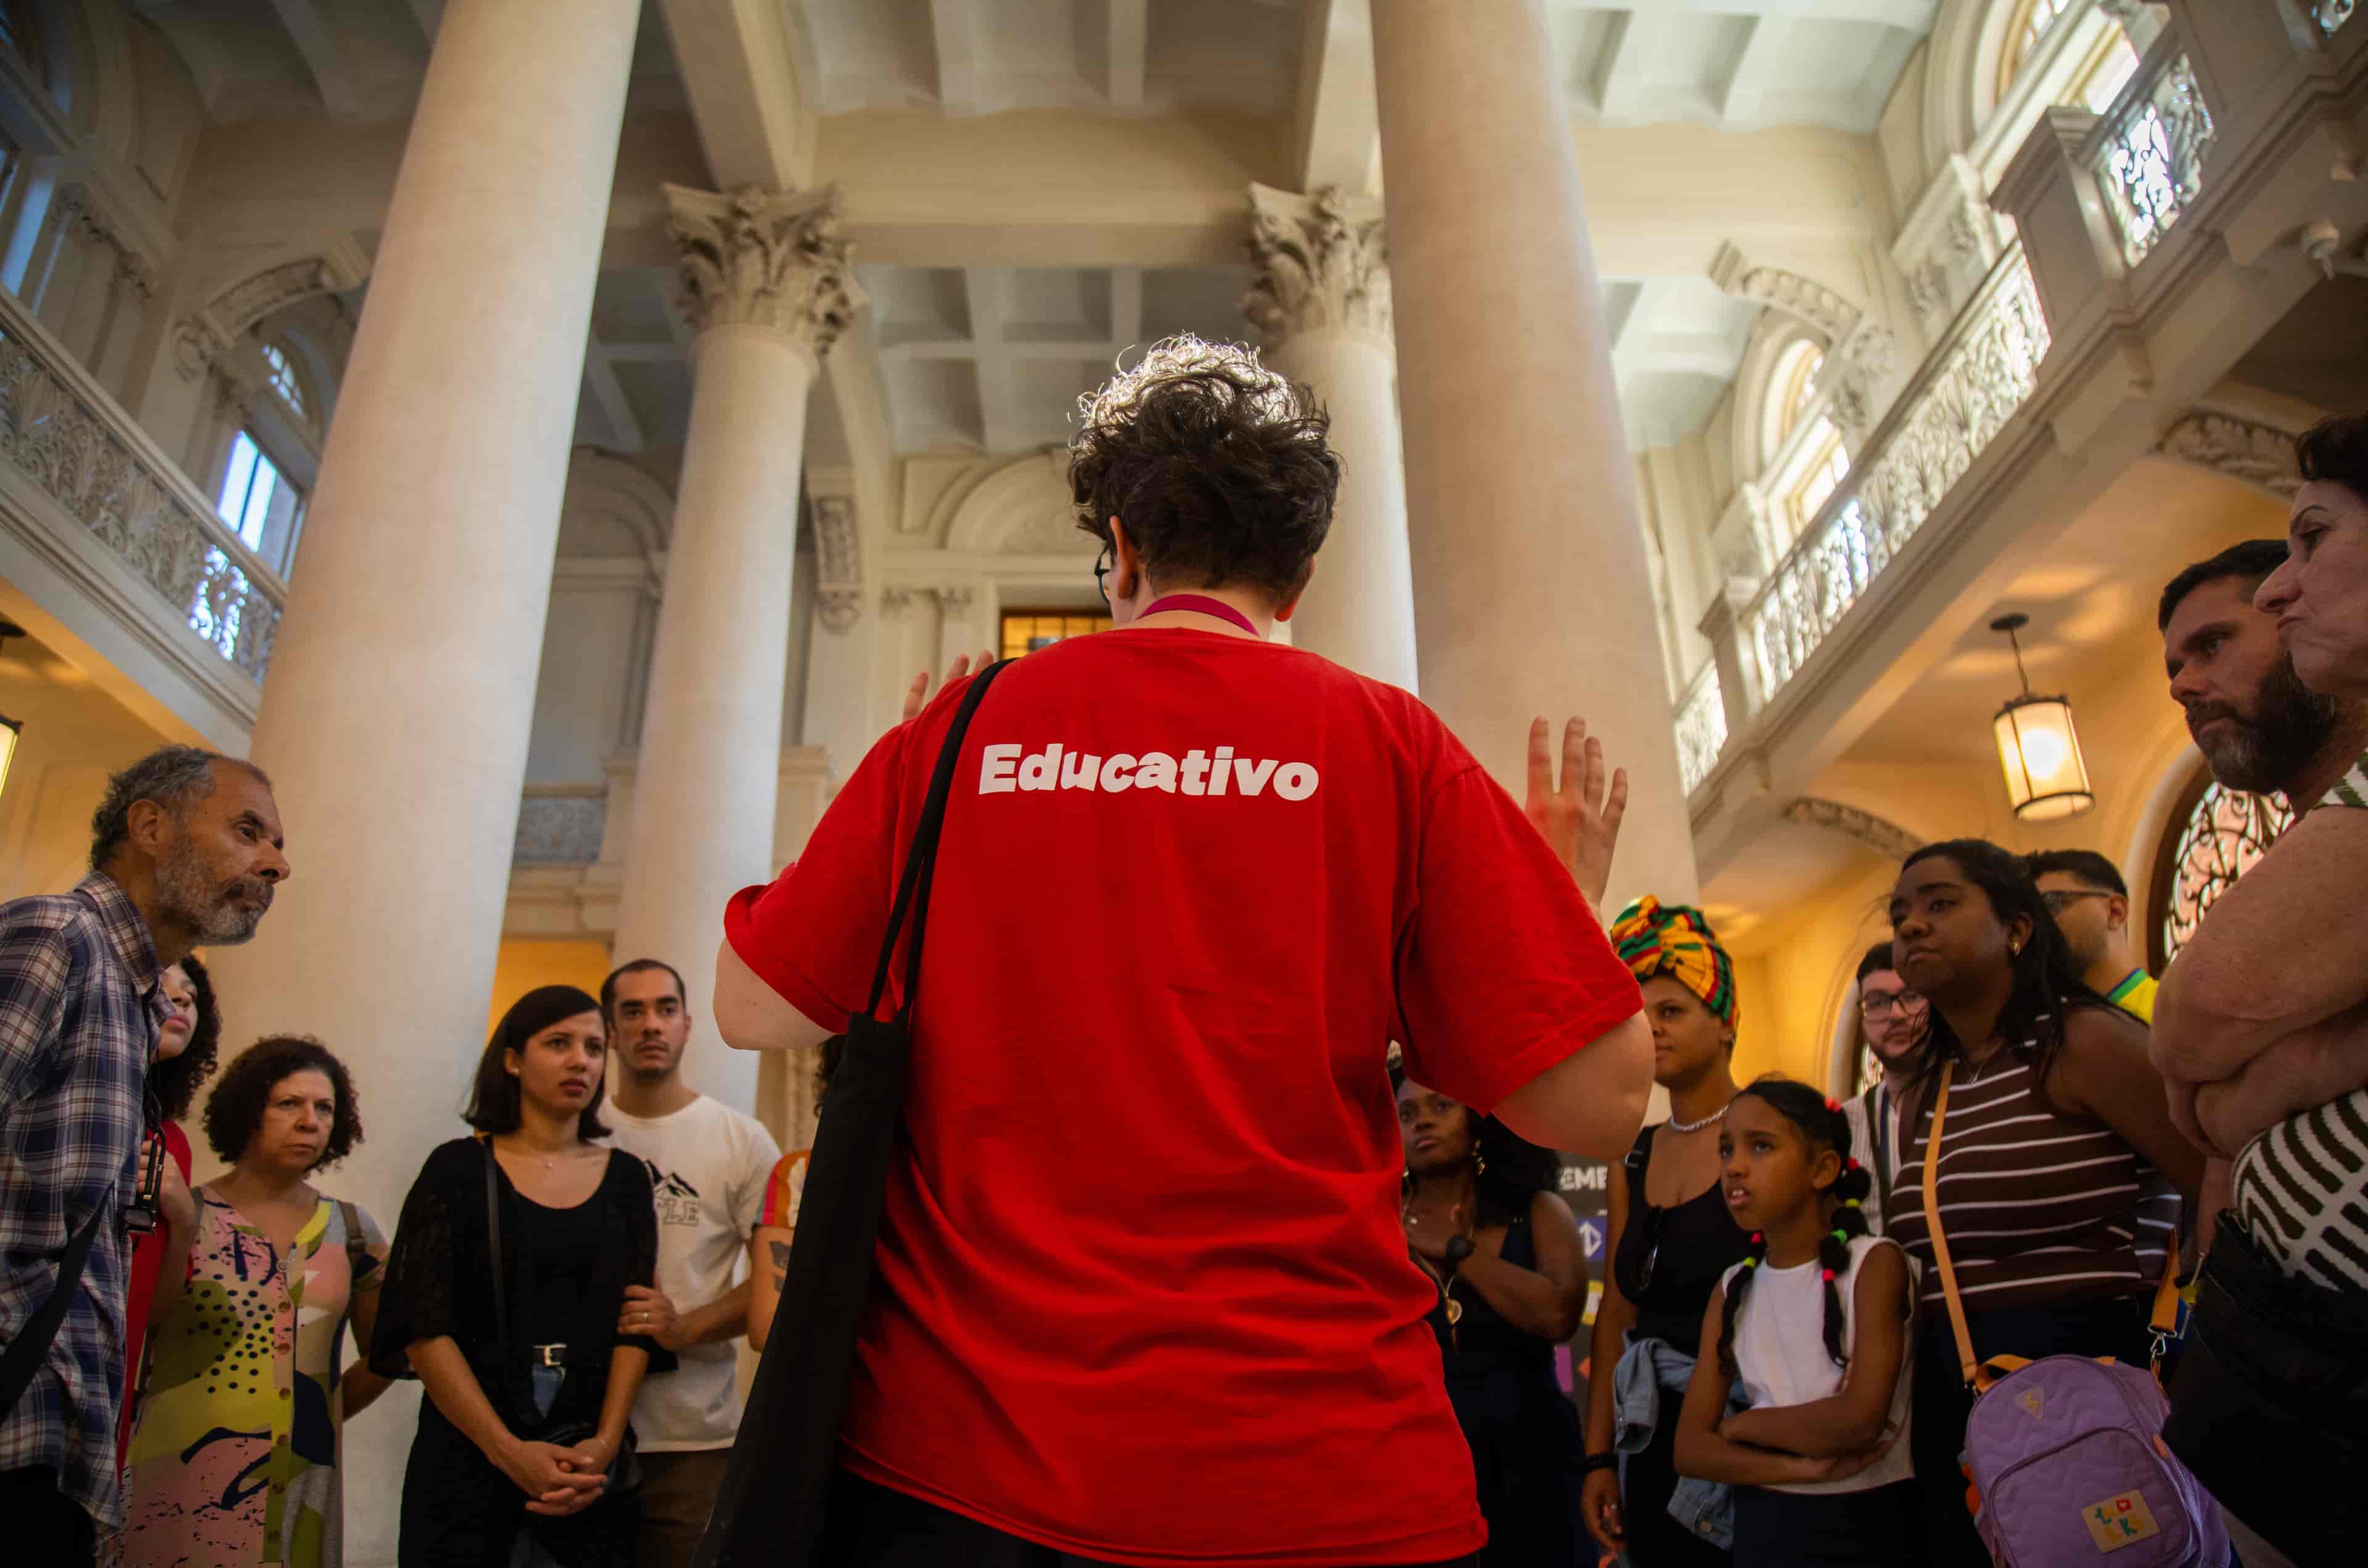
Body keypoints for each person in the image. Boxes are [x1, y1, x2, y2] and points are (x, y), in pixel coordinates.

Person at [712, 334, 1653, 1567]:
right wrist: (1561, 904)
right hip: (1323, 1474)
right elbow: (1601, 1101)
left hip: (972, 1464)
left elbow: (751, 1004)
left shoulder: (965, 727)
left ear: (1122, 550)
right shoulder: (1386, 741)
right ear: (1300, 572)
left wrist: (910, 814)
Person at [2155, 424, 2368, 1566]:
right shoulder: (2286, 852)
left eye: (2213, 643)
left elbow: (2189, 1022)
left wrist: (2250, 1090)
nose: (2188, 683)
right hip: (2287, 1365)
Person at [0, 744, 286, 1561]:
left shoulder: (136, 1003)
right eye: (247, 830)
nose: (277, 862)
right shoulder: (59, 938)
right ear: (151, 825)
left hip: (57, 1449)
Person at [1882, 840, 2202, 1568]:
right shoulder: (1928, 1091)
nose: (1912, 925)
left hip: (2096, 1380)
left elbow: (2208, 1179)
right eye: (1901, 914)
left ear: (2018, 928)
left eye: (1940, 903)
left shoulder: (2082, 1042)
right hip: (1967, 1392)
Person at [370, 985, 665, 1567]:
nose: (581, 1060)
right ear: (511, 1058)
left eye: (594, 1046)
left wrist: (603, 1447)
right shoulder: (454, 1169)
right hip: (467, 1460)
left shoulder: (628, 1177)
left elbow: (636, 1323)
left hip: (587, 1466)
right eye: (559, 1043)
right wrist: (508, 1452)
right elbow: (424, 1326)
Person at [121, 1035, 388, 1567]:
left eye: (325, 1107)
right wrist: (177, 1228)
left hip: (300, 1489)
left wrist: (318, 1414)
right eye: (289, 1103)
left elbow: (391, 1353)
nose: (310, 1120)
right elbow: (142, 1326)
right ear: (248, 1110)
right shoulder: (185, 1214)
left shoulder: (355, 1231)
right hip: (173, 1477)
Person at [1672, 1079, 1914, 1568]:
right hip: (1767, 1527)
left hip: (1868, 1524)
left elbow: (1858, 1421)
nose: (1734, 1165)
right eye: (1726, 1149)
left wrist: (1741, 1425)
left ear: (1823, 1168)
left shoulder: (1875, 1265)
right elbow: (1690, 1449)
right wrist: (1796, 1466)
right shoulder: (1732, 1287)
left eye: (1761, 1146)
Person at [1582, 896, 1753, 1566]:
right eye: (1640, 1016)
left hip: (1750, 1434)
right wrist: (1598, 1456)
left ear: (1726, 1023)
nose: (1652, 1029)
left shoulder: (1771, 1129)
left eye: (1672, 1011)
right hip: (1652, 1438)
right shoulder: (1634, 1154)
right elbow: (1616, 1314)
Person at [596, 956, 779, 1568]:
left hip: (693, 1436)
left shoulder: (740, 1138)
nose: (651, 1023)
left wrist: (688, 1326)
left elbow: (780, 1276)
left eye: (665, 1009)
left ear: (687, 1024)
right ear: (611, 1029)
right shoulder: (579, 1132)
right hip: (575, 1424)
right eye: (633, 1011)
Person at [1395, 1065, 1589, 1567]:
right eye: (1407, 1113)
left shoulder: (1538, 1210)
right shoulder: (1377, 1222)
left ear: (1478, 1118)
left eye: (1441, 1107)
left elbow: (1559, 1315)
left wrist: (1457, 1252)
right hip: (1421, 1462)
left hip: (1534, 1452)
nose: (1422, 1123)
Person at [117, 953, 221, 1466]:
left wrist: (183, 1215)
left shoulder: (171, 1139)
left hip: (111, 1375)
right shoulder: (64, 1102)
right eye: (165, 983)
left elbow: (154, 1311)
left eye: (192, 994)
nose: (181, 997)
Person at [1839, 943, 1925, 1234]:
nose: (1896, 1014)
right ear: (1863, 1021)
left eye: (1911, 997)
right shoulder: (1845, 1126)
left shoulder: (1972, 1097)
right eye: (1876, 1003)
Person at [2021, 850, 2155, 1022]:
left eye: (2051, 904)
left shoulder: (2176, 1010)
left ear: (2116, 912)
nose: (2040, 925)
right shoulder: (2041, 1032)